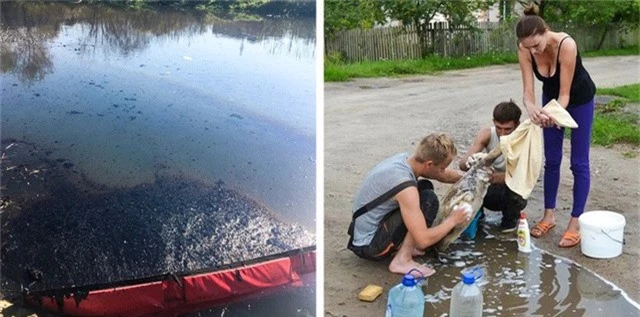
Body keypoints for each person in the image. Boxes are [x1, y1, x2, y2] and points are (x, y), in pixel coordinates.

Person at [516, 4, 596, 248]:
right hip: (551, 101)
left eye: (537, 46)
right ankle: (549, 215)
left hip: (578, 99)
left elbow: (565, 94)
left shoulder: (566, 44)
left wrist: (554, 114)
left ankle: (575, 222)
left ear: (545, 32)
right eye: (528, 48)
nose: (534, 51)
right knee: (551, 159)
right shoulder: (525, 49)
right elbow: (528, 93)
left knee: (578, 162)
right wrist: (533, 109)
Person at [347, 133, 469, 277]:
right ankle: (402, 260)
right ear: (429, 164)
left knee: (424, 186)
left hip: (360, 231)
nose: (443, 172)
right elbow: (423, 241)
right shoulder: (405, 186)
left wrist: (469, 176)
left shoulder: (404, 160)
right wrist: (453, 220)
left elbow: (442, 175)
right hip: (368, 245)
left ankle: (403, 246)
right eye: (442, 168)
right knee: (428, 201)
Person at [459, 101, 528, 233]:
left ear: (517, 125)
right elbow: (462, 165)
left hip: (512, 189)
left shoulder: (523, 141)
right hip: (491, 187)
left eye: (507, 129)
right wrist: (472, 161)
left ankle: (510, 221)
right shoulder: (487, 134)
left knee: (516, 189)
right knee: (469, 180)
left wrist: (492, 177)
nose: (502, 133)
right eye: (498, 127)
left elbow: (521, 175)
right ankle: (477, 215)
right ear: (493, 122)